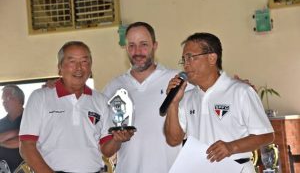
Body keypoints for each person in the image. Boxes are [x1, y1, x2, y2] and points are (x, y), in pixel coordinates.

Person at [164, 32, 274, 172]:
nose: (186, 64)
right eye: (183, 59)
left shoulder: (240, 91)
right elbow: (173, 140)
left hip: (236, 167)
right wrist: (173, 103)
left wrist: (231, 147)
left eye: (191, 57)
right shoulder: (186, 98)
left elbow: (266, 135)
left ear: (212, 58)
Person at [19, 41, 134, 173]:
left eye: (85, 62)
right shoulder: (40, 97)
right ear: (59, 67)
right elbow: (26, 146)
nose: (79, 68)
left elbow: (107, 151)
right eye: (72, 61)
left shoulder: (100, 100)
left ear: (90, 68)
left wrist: (117, 139)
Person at [102, 22, 186, 173]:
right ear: (126, 48)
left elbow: (209, 93)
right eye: (131, 45)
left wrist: (240, 84)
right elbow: (106, 149)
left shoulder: (177, 81)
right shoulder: (112, 88)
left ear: (155, 45)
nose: (137, 51)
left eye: (144, 44)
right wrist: (117, 139)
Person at [0, 85, 24, 172]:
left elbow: (23, 142)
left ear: (20, 100)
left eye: (8, 98)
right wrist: (16, 132)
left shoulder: (31, 119)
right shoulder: (1, 123)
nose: (4, 102)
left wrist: (2, 142)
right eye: (3, 100)